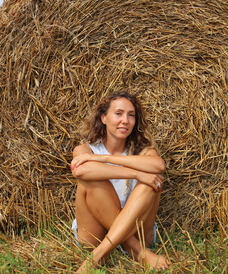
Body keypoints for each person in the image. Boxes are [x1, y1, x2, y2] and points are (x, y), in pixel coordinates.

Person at [70, 91, 170, 272]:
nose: (125, 120)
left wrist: (104, 159)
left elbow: (158, 165)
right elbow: (82, 170)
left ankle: (98, 256)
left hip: (137, 229)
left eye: (131, 115)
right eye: (118, 113)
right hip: (95, 235)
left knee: (152, 182)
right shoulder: (85, 149)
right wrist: (136, 174)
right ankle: (137, 251)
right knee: (91, 180)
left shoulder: (143, 151)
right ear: (104, 118)